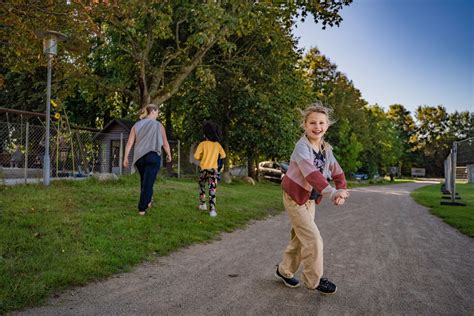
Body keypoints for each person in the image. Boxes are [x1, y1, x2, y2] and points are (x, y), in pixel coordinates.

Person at [275, 102, 349, 295]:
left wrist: (342, 191)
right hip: (294, 197)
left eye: (321, 123)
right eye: (313, 123)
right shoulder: (302, 147)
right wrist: (332, 192)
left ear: (327, 126)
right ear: (305, 125)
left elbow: (338, 173)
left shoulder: (326, 149)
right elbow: (311, 174)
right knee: (314, 239)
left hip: (310, 199)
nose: (317, 127)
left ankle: (284, 270)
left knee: (301, 238)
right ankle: (313, 281)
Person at [123, 104, 171, 216]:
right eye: (158, 111)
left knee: (145, 181)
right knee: (148, 183)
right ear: (153, 111)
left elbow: (130, 142)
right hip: (152, 156)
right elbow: (165, 143)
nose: (158, 114)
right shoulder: (159, 126)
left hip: (139, 158)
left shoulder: (136, 125)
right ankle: (142, 209)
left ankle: (148, 201)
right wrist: (169, 154)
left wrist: (125, 157)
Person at [194, 121, 226, 217]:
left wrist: (202, 157)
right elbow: (223, 155)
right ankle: (212, 210)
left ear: (205, 133)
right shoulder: (218, 145)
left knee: (202, 187)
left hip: (204, 170)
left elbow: (196, 156)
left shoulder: (202, 144)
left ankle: (203, 204)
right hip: (213, 171)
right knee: (212, 190)